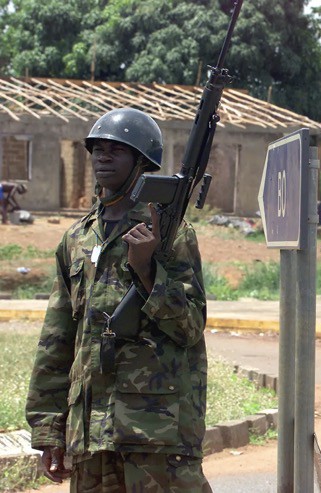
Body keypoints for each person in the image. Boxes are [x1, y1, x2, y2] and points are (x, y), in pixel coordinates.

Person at [25, 108, 211, 492]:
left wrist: (147, 271)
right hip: (90, 432)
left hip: (154, 432)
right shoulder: (77, 238)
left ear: (142, 162)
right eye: (98, 149)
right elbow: (56, 339)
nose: (103, 157)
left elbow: (190, 326)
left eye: (117, 150)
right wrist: (48, 430)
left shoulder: (170, 234)